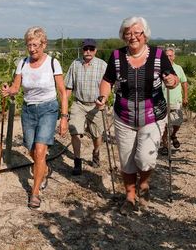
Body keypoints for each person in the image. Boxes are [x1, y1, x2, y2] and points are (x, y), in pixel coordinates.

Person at [96, 16, 179, 215]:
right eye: (128, 33)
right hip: (124, 115)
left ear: (145, 35)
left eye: (137, 33)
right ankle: (130, 197)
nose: (132, 37)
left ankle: (145, 183)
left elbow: (173, 78)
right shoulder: (116, 56)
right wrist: (102, 96)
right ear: (123, 36)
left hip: (153, 114)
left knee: (145, 159)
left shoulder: (158, 55)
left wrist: (171, 81)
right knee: (126, 159)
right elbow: (107, 80)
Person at [1, 26, 69, 210]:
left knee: (40, 151)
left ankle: (35, 192)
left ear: (44, 44)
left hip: (48, 109)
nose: (32, 49)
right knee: (31, 149)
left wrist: (64, 117)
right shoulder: (22, 63)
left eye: (36, 45)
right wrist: (9, 91)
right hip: (28, 110)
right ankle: (43, 169)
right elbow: (16, 88)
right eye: (29, 45)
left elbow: (62, 92)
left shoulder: (53, 63)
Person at [65, 38, 107, 175]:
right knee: (75, 131)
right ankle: (77, 162)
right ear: (82, 50)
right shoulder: (75, 64)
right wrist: (64, 106)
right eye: (85, 49)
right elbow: (69, 87)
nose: (88, 51)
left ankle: (96, 152)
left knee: (97, 134)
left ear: (95, 50)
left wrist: (104, 99)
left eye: (91, 49)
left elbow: (108, 86)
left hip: (96, 105)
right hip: (79, 103)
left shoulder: (102, 65)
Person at [160, 46, 188, 155]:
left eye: (170, 56)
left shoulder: (179, 69)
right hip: (162, 101)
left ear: (174, 57)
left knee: (177, 121)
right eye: (166, 56)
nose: (168, 58)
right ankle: (165, 146)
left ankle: (173, 134)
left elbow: (184, 83)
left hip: (176, 100)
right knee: (164, 124)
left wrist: (185, 97)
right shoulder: (160, 69)